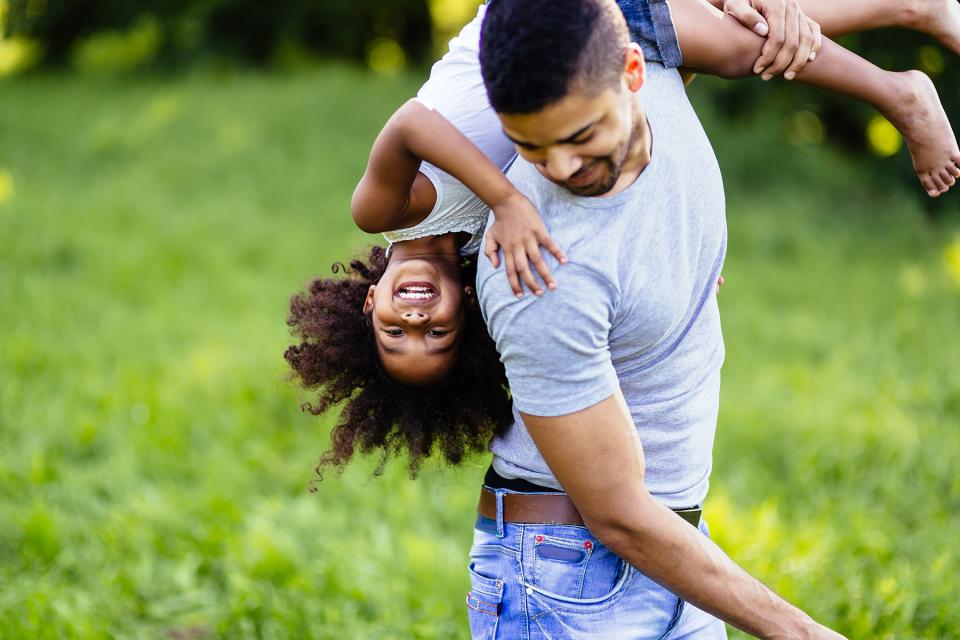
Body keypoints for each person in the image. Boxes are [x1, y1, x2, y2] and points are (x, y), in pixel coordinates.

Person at [286, 0, 959, 481]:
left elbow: (410, 125)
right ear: (464, 307)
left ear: (372, 302)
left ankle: (901, 73)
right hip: (570, 66)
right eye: (434, 337)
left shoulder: (386, 213)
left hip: (539, 32)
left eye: (395, 333)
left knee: (731, 43)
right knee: (732, 41)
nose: (414, 321)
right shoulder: (481, 247)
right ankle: (911, 23)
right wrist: (673, 258)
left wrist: (508, 200)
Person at [467, 0, 850, 637]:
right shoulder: (539, 270)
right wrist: (804, 632)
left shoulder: (668, 76)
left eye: (580, 136)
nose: (560, 168)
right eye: (530, 146)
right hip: (567, 580)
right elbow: (616, 513)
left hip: (675, 551)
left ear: (636, 73)